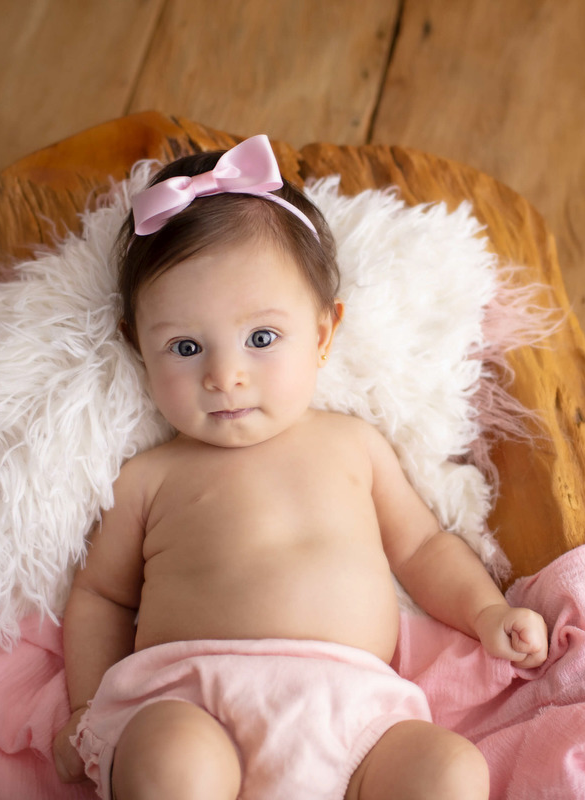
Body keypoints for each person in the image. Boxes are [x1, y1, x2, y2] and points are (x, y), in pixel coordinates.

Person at [53, 135, 548, 799]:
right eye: (186, 346)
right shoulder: (149, 478)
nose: (224, 376)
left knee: (451, 771)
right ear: (137, 347)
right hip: (193, 697)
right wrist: (85, 710)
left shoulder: (354, 446)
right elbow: (101, 596)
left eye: (262, 338)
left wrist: (486, 613)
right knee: (171, 763)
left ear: (321, 334)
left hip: (351, 718)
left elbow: (426, 548)